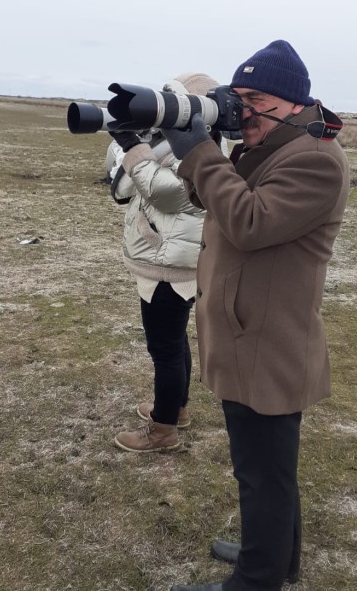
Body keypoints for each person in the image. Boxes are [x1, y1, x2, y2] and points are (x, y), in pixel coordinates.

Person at [161, 40, 350, 590]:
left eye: (255, 99)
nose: (244, 110)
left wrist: (199, 152)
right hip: (255, 331)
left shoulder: (314, 159)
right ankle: (275, 559)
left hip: (267, 341)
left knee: (261, 475)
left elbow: (247, 220)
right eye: (237, 98)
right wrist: (207, 147)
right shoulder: (278, 145)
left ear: (294, 102)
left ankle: (256, 580)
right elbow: (224, 197)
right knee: (270, 470)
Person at [110, 72, 223, 453]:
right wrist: (138, 143)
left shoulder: (203, 148)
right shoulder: (189, 144)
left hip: (170, 263)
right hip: (173, 258)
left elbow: (167, 193)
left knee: (165, 349)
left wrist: (130, 144)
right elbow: (127, 188)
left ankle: (163, 430)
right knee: (173, 342)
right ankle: (176, 408)